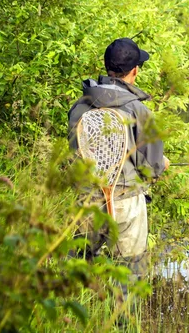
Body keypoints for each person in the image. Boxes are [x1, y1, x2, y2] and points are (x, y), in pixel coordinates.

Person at [68, 37, 169, 261]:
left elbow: (75, 151)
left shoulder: (79, 107)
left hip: (87, 201)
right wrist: (162, 163)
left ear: (106, 68)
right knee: (128, 273)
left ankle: (80, 296)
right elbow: (151, 168)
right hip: (126, 201)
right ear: (134, 71)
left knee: (79, 268)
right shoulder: (139, 111)